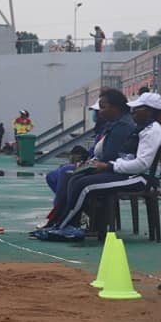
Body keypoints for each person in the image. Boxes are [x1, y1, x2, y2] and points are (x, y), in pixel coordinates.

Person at [40, 92, 161, 236]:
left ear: (149, 111)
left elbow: (141, 164)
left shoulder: (153, 131)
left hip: (140, 178)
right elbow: (125, 157)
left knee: (84, 185)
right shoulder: (142, 128)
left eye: (137, 109)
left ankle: (65, 226)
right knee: (76, 178)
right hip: (128, 173)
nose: (133, 112)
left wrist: (109, 166)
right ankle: (64, 223)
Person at [44, 88, 137, 229]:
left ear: (115, 107)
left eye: (103, 107)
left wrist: (88, 164)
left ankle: (67, 219)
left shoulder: (122, 127)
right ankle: (68, 214)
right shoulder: (114, 124)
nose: (100, 111)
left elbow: (109, 156)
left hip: (113, 170)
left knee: (69, 175)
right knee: (65, 173)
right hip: (106, 166)